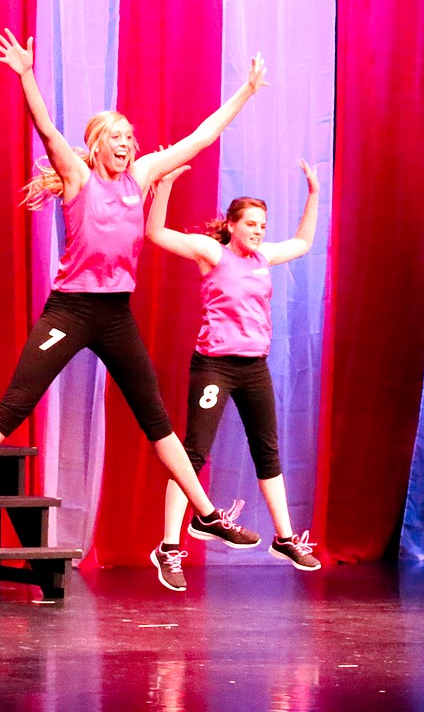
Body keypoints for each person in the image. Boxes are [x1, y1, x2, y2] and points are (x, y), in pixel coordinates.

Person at [0, 29, 268, 551]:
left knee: (157, 421)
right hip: (70, 312)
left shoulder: (140, 177)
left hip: (115, 315)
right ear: (97, 146)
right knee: (13, 405)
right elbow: (47, 130)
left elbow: (202, 136)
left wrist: (246, 92)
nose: (126, 145)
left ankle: (205, 515)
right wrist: (27, 74)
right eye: (116, 138)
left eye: (130, 138)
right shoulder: (77, 178)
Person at [146, 160, 322, 592]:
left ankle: (285, 539)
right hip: (215, 366)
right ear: (232, 225)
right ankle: (168, 547)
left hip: (254, 368)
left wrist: (314, 194)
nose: (259, 231)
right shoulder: (213, 253)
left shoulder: (264, 258)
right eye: (251, 224)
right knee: (192, 455)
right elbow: (156, 235)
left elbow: (302, 241)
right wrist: (165, 184)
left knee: (269, 453)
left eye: (263, 224)